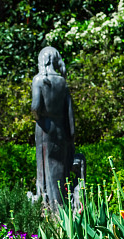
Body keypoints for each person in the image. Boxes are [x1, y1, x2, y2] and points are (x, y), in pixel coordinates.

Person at [31, 47, 75, 210]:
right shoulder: (62, 82)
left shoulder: (39, 80)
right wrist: (71, 136)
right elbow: (69, 112)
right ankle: (62, 207)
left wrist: (38, 118)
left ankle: (49, 207)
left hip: (45, 128)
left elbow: (35, 107)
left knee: (45, 168)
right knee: (60, 167)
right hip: (60, 129)